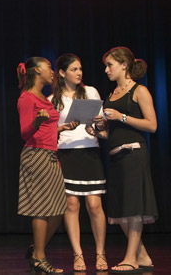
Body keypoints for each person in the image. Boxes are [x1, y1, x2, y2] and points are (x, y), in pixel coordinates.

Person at [90, 47, 157, 274]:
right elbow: (111, 133)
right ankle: (142, 254)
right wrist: (97, 130)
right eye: (106, 66)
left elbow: (152, 125)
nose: (107, 70)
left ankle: (131, 258)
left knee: (133, 207)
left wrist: (123, 116)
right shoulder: (111, 95)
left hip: (133, 154)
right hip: (115, 156)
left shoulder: (139, 91)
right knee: (120, 209)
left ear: (124, 65)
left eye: (110, 65)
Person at [49, 54, 108, 272]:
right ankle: (78, 254)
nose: (79, 73)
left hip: (90, 151)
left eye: (80, 69)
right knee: (71, 205)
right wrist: (63, 128)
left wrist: (98, 126)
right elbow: (47, 132)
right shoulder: (52, 100)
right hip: (66, 153)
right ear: (62, 73)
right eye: (74, 69)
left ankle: (100, 253)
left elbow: (102, 127)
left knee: (94, 205)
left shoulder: (90, 92)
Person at [16, 57, 66, 274]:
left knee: (58, 209)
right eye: (49, 68)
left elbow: (48, 128)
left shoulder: (44, 98)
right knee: (43, 209)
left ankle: (37, 249)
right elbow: (25, 133)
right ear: (37, 71)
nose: (53, 72)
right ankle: (39, 257)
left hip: (50, 155)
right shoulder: (26, 99)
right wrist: (37, 122)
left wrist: (62, 128)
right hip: (36, 155)